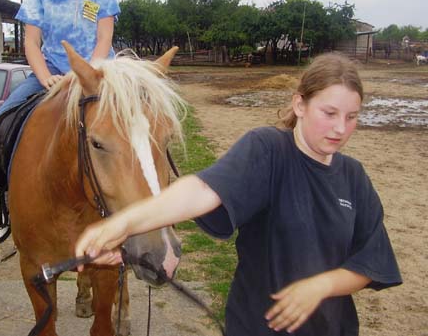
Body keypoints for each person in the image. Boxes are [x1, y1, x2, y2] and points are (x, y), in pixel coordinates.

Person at [75, 53, 402, 336]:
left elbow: (370, 262)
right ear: (299, 104)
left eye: (351, 117)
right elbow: (200, 190)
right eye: (329, 113)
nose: (340, 129)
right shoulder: (268, 151)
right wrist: (124, 224)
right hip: (258, 326)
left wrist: (321, 286)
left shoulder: (354, 177)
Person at [0, 0, 120, 244]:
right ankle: (3, 204)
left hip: (100, 74)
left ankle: (146, 195)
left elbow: (104, 36)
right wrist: (46, 78)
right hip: (51, 75)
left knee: (142, 119)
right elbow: (31, 43)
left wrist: (86, 75)